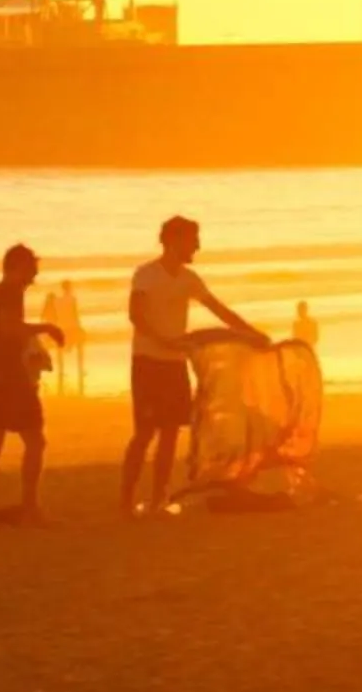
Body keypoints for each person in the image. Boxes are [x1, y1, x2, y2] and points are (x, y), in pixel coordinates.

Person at [120, 216, 263, 517]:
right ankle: (125, 499)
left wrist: (251, 333)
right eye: (192, 239)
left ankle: (159, 498)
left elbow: (219, 309)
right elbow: (135, 314)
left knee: (171, 433)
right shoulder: (146, 274)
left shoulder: (189, 279)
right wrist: (162, 340)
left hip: (174, 364)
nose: (197, 245)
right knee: (145, 433)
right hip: (147, 361)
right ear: (173, 240)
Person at [0, 244, 65, 525]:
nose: (34, 277)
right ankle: (30, 508)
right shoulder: (9, 292)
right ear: (17, 267)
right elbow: (10, 328)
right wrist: (46, 328)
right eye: (31, 270)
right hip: (6, 379)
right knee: (35, 442)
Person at [43, 279, 86, 394]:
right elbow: (75, 314)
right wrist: (79, 326)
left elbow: (56, 315)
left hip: (62, 327)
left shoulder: (58, 300)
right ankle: (80, 367)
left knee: (60, 349)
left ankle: (61, 369)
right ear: (70, 288)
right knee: (80, 346)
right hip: (72, 326)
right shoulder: (72, 299)